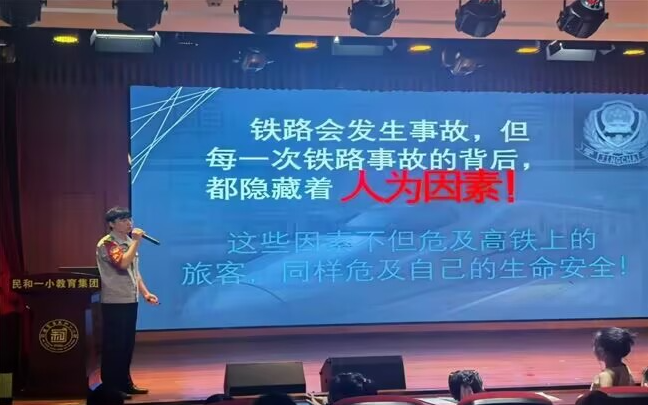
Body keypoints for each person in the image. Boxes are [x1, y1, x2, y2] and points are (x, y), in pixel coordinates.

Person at [96, 206, 159, 399]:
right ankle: (111, 387)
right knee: (114, 345)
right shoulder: (107, 243)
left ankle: (125, 382)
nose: (129, 223)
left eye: (129, 219)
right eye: (123, 220)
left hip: (131, 298)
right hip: (114, 300)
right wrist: (137, 242)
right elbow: (123, 264)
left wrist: (146, 293)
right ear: (112, 224)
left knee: (127, 344)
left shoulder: (129, 242)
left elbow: (135, 272)